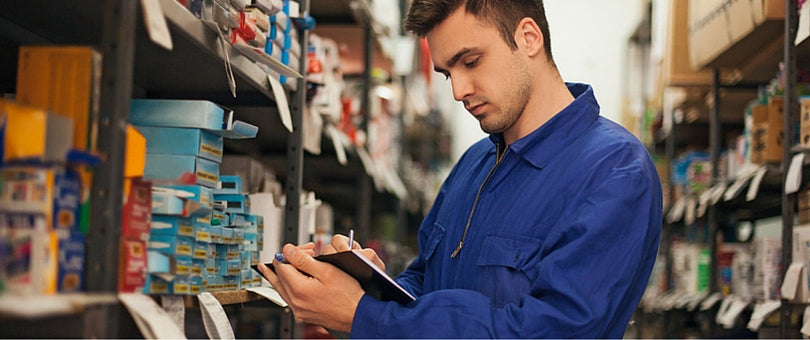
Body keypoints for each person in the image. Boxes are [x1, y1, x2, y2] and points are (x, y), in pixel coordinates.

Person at [259, 0, 662, 337]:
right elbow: (425, 286)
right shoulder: (473, 165)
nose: (458, 91)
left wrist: (365, 316)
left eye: (471, 61)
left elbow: (551, 330)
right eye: (448, 72)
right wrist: (369, 288)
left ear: (529, 38)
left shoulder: (615, 172)